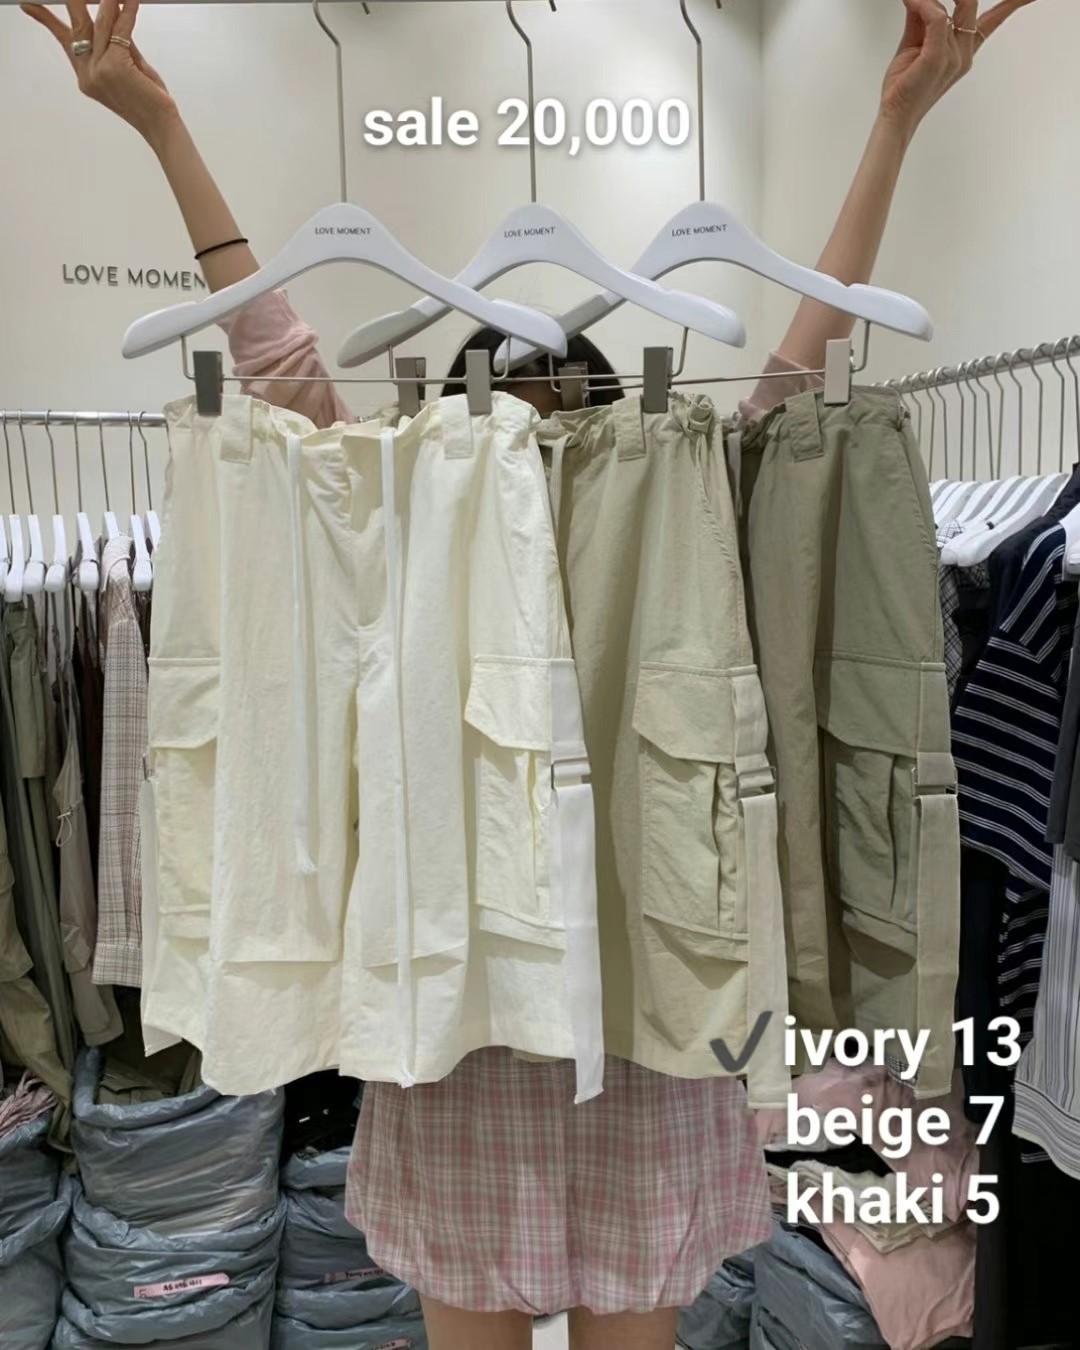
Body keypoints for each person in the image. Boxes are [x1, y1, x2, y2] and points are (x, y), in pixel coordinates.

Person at [24, 2, 1037, 1348]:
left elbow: (799, 370)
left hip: (654, 1025)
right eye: (507, 437)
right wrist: (161, 124)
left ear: (619, 427)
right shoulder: (412, 508)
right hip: (466, 1036)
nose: (535, 462)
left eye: (566, 432)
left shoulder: (676, 504)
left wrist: (895, 122)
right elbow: (278, 367)